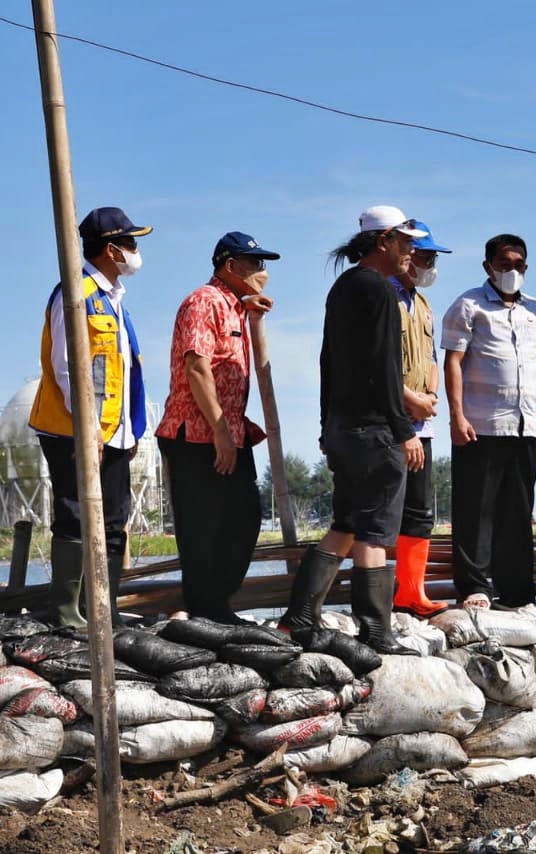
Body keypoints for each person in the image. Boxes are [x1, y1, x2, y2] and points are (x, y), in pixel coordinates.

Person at [279, 205, 426, 655]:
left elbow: (327, 363)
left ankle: (300, 617)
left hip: (344, 428)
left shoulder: (342, 287)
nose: (410, 252)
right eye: (405, 242)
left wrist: (327, 427)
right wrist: (404, 430)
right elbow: (384, 368)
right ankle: (376, 632)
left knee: (345, 523)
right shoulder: (380, 290)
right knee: (376, 531)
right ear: (384, 241)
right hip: (375, 431)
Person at [28, 207, 150, 628]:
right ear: (112, 249)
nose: (136, 252)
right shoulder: (74, 294)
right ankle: (67, 612)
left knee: (115, 520)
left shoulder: (114, 300)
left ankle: (105, 607)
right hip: (73, 429)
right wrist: (88, 427)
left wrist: (129, 428)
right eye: (131, 243)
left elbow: (123, 370)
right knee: (77, 513)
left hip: (114, 430)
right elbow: (67, 367)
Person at [157, 232, 279, 624]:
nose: (262, 272)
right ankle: (205, 606)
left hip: (230, 430)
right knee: (203, 523)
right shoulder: (203, 302)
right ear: (230, 266)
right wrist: (220, 431)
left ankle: (217, 601)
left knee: (244, 517)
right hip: (196, 433)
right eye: (254, 263)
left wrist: (251, 311)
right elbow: (197, 367)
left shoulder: (235, 308)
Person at [441, 234, 536, 617]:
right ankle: (475, 586)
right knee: (476, 510)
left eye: (519, 264)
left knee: (517, 511)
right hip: (481, 424)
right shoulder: (468, 305)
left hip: (525, 427)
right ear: (488, 266)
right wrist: (457, 416)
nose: (512, 271)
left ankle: (517, 591)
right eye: (505, 263)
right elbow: (453, 362)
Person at [389, 221, 450, 618]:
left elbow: (430, 359)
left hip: (421, 423)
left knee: (419, 511)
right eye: (424, 256)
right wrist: (408, 402)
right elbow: (381, 363)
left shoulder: (423, 305)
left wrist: (430, 396)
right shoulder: (386, 298)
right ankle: (385, 593)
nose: (429, 264)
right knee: (383, 512)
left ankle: (413, 592)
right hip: (393, 421)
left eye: (431, 257)